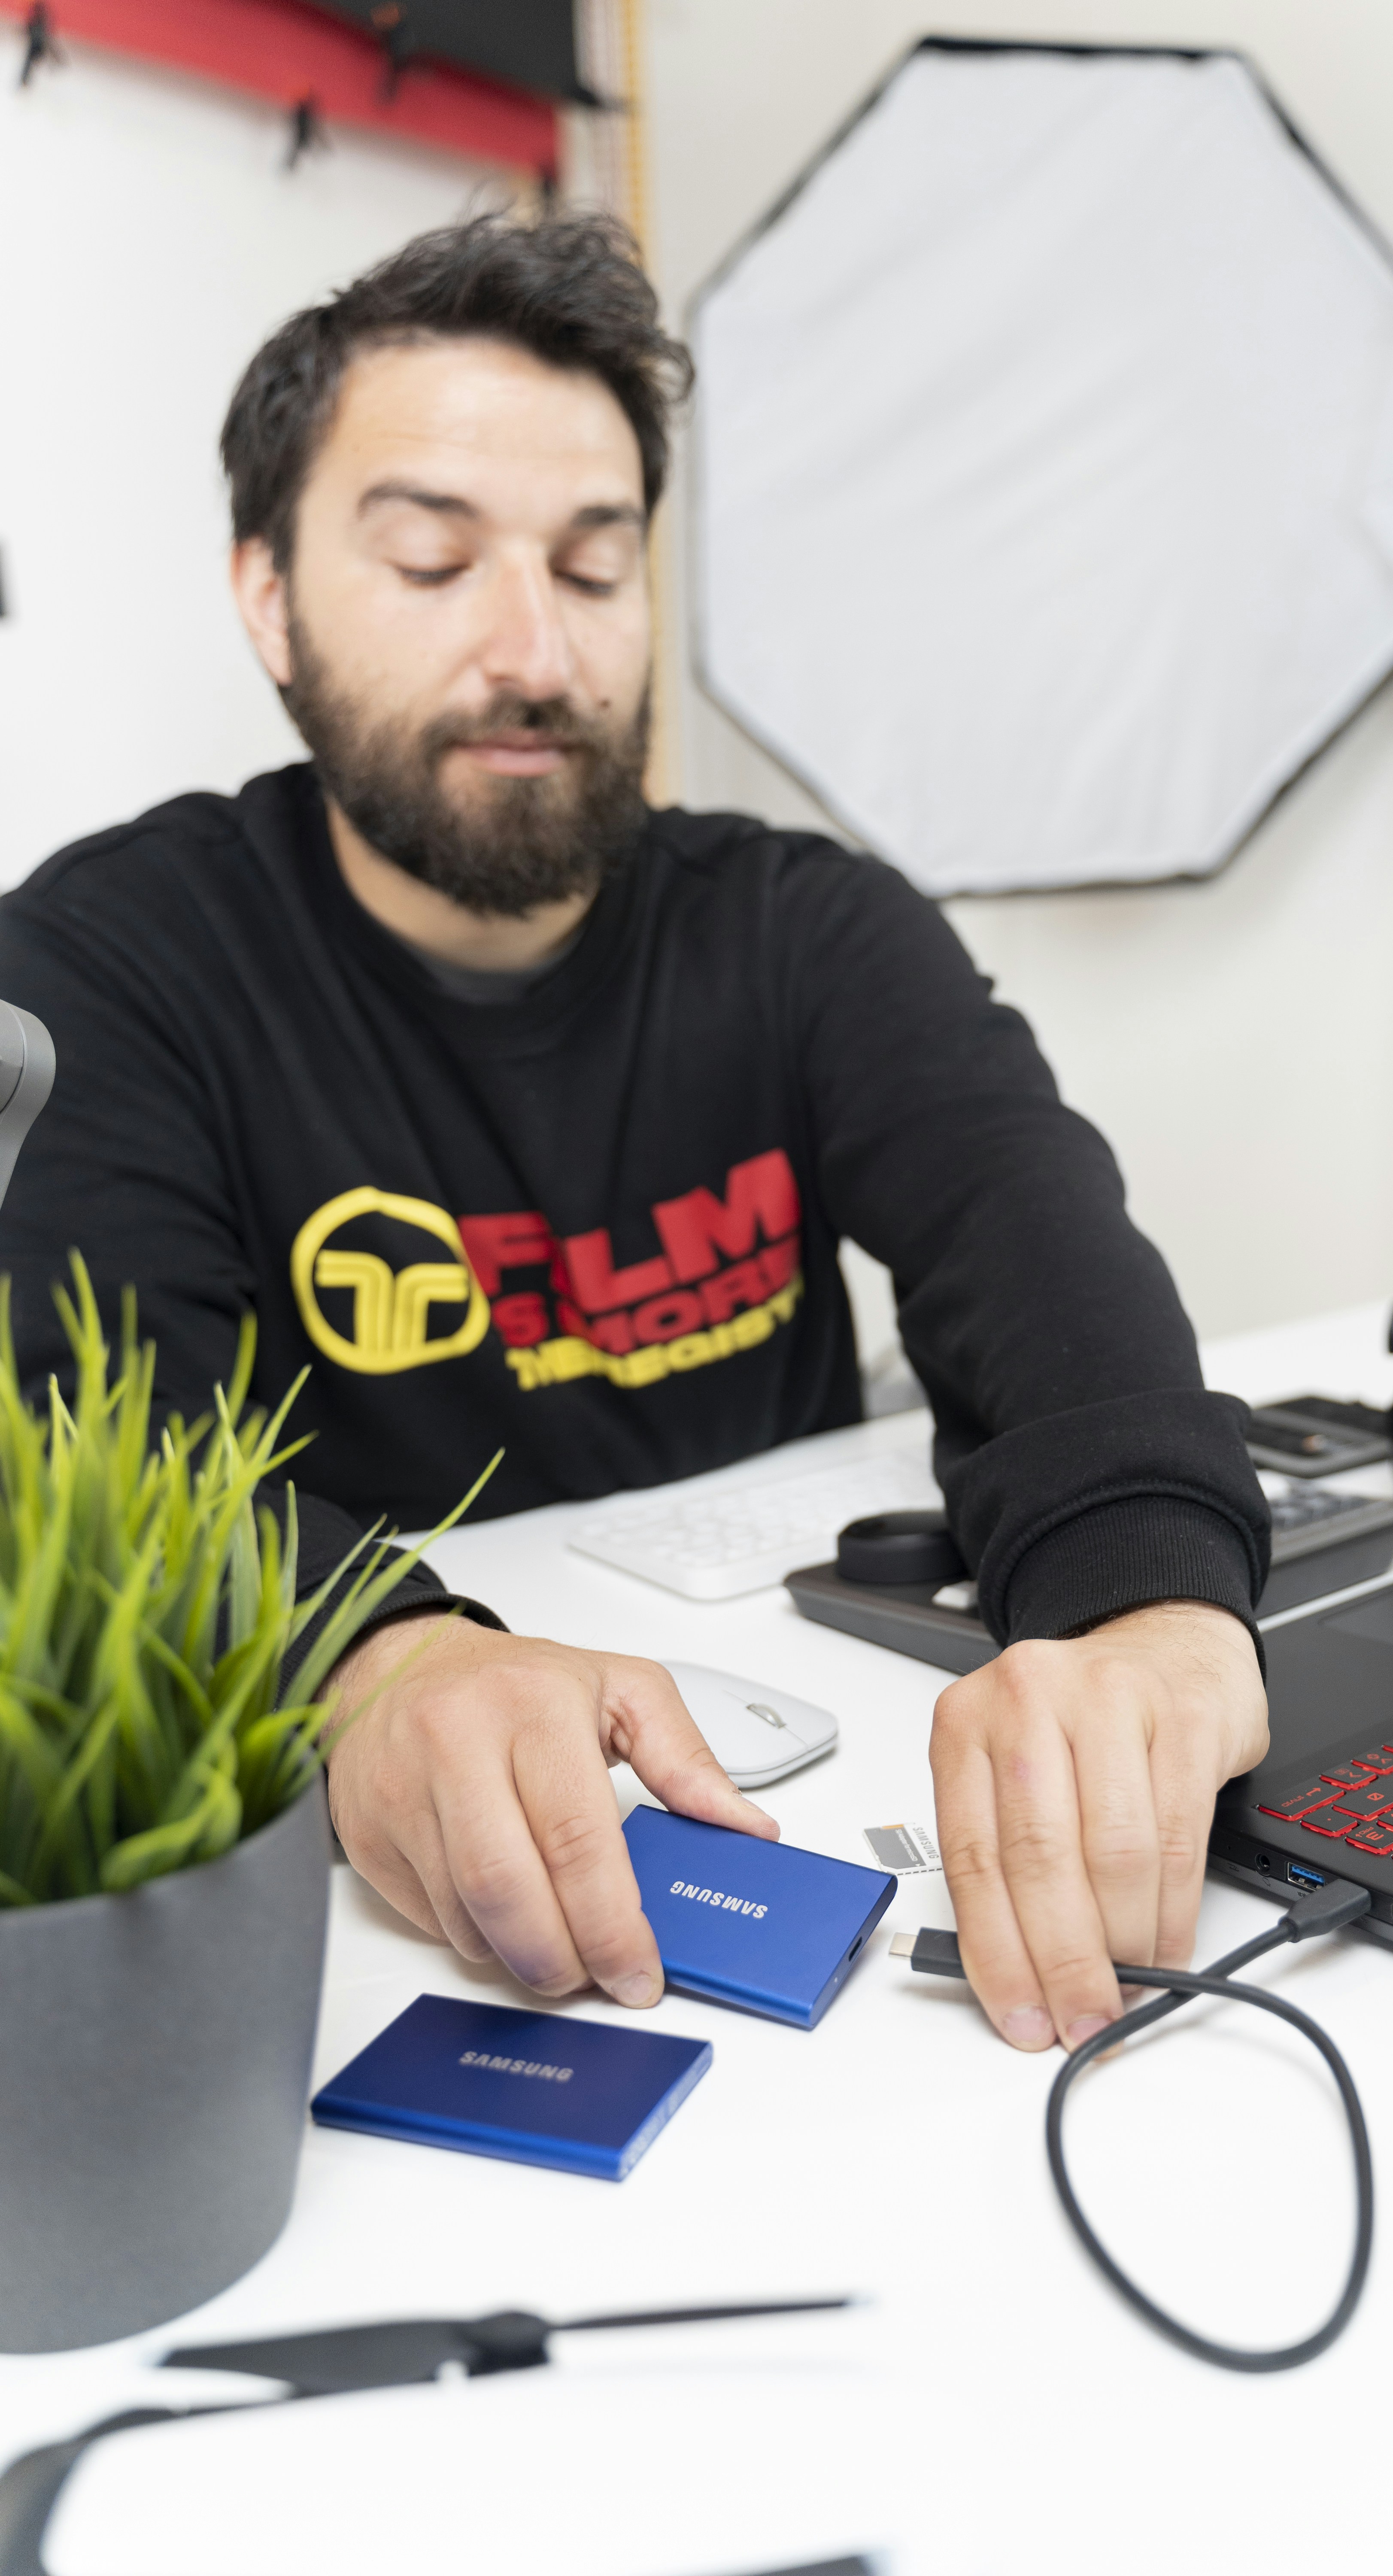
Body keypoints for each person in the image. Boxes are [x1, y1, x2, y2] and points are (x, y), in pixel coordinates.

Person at [0, 213, 1269, 2052]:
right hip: (426, 1919)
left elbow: (1049, 1279)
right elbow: (100, 1446)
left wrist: (1153, 1620)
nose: (535, 650)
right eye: (431, 559)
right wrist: (377, 1659)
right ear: (268, 596)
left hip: (810, 1792)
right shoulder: (103, 964)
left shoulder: (809, 930)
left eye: (597, 569)